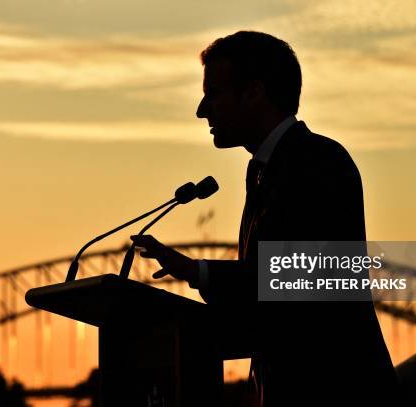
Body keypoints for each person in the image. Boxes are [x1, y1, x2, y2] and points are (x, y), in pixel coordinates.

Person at [131, 31, 398, 406]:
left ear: (254, 92)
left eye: (214, 93)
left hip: (332, 389)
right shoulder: (266, 169)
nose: (202, 110)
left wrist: (197, 271)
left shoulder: (317, 162)